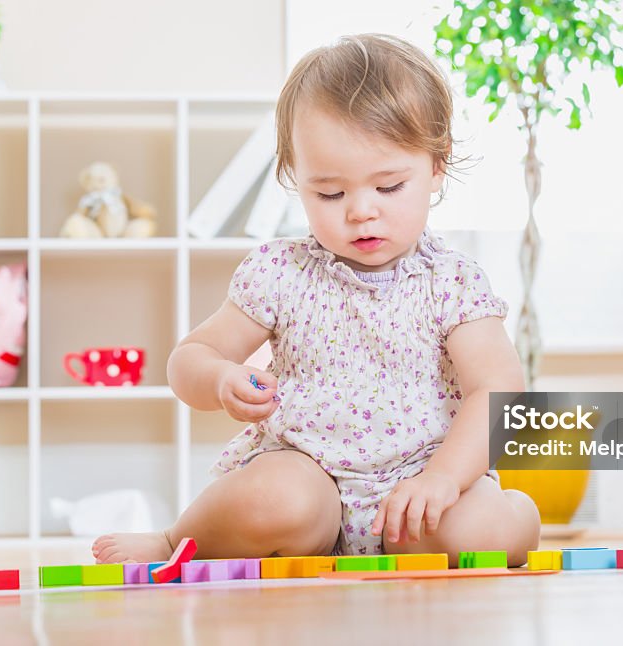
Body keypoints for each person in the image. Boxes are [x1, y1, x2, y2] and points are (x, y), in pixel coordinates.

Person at [93, 33, 540, 568]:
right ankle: (175, 541)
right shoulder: (282, 271)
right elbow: (190, 357)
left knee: (475, 532)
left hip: (422, 482)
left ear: (436, 165)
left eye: (389, 186)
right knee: (274, 498)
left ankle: (517, 515)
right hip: (308, 476)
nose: (360, 211)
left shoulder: (452, 280)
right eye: (329, 193)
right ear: (294, 177)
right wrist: (218, 379)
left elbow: (497, 389)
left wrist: (444, 477)